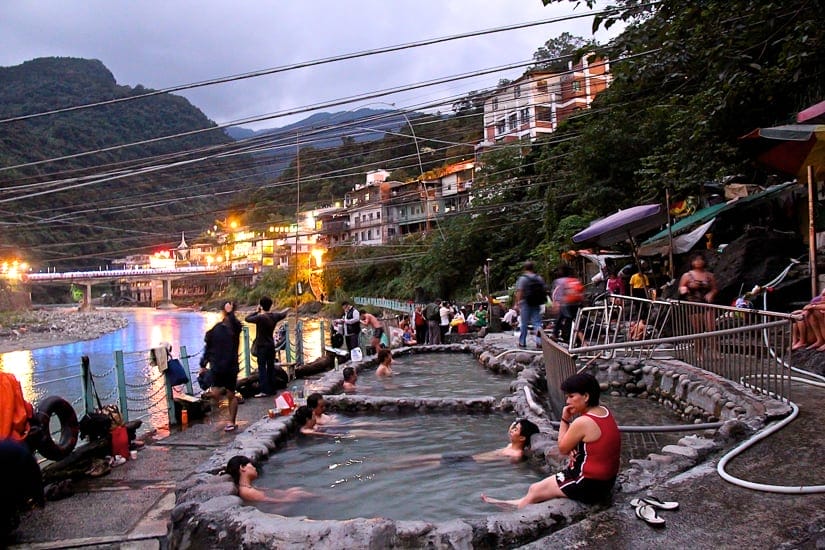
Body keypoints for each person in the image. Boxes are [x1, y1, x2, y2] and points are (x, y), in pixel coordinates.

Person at [482, 373, 620, 508]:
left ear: (586, 396)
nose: (567, 402)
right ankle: (513, 503)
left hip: (588, 484)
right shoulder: (604, 411)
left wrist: (565, 419)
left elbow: (562, 448)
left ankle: (515, 513)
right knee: (535, 491)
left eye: (571, 396)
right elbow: (594, 443)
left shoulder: (583, 421)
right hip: (606, 481)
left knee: (535, 489)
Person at [199, 301, 243, 432]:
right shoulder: (220, 330)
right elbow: (207, 347)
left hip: (226, 365)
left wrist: (203, 363)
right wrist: (203, 364)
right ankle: (227, 417)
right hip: (222, 365)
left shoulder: (232, 329)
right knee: (221, 393)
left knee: (229, 394)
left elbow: (207, 348)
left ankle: (231, 421)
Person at [245, 297, 290, 397]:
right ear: (271, 306)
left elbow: (247, 319)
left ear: (261, 306)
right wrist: (288, 308)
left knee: (262, 369)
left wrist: (256, 312)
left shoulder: (260, 318)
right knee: (271, 367)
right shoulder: (274, 316)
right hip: (271, 345)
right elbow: (284, 313)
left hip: (261, 346)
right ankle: (272, 389)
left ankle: (264, 390)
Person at [678, 253, 718, 357]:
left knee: (711, 328)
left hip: (707, 303)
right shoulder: (687, 275)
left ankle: (714, 350)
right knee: (698, 330)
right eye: (696, 259)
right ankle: (698, 352)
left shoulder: (709, 275)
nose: (698, 261)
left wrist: (711, 293)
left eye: (700, 259)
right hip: (693, 304)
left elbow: (714, 288)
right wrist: (684, 289)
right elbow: (681, 287)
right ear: (692, 262)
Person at [225, 455, 311, 503]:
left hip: (272, 504)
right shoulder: (247, 491)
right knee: (299, 493)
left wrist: (286, 492)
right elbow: (269, 501)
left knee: (295, 490)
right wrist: (291, 498)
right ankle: (323, 499)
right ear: (243, 467)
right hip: (272, 509)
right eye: (251, 465)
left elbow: (269, 492)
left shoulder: (249, 487)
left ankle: (323, 498)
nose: (254, 468)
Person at [515, 261, 547, 349]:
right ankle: (539, 341)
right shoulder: (539, 278)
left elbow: (520, 291)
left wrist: (517, 303)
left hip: (525, 302)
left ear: (525, 268)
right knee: (537, 323)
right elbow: (544, 290)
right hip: (537, 302)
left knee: (524, 323)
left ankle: (522, 342)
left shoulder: (523, 278)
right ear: (533, 268)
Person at [550, 265, 584, 346]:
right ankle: (578, 340)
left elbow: (558, 293)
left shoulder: (559, 281)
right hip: (577, 304)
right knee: (575, 321)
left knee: (563, 319)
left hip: (566, 304)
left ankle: (559, 335)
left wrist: (556, 303)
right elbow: (581, 293)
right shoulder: (575, 280)